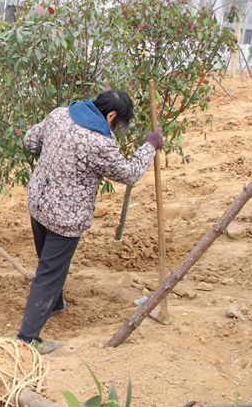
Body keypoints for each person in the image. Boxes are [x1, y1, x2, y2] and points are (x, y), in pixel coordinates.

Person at [17, 90, 164, 355]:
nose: (116, 130)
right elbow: (129, 174)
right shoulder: (99, 142)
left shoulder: (60, 114)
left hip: (38, 202)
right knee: (49, 273)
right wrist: (150, 146)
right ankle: (28, 338)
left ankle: (54, 303)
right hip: (65, 217)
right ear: (111, 116)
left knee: (47, 261)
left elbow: (29, 142)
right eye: (119, 125)